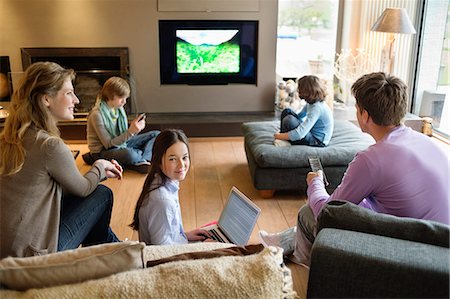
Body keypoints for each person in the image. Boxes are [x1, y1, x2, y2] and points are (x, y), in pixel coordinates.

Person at [260, 72, 449, 267]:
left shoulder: (372, 159)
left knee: (308, 213)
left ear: (365, 115)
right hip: (440, 246)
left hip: (408, 253)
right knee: (356, 205)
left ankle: (307, 268)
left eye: (357, 109)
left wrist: (314, 182)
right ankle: (282, 242)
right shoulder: (427, 142)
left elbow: (327, 213)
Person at [0, 61, 123, 259]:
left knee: (87, 203)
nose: (76, 100)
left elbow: (45, 188)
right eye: (69, 93)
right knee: (101, 195)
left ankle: (113, 249)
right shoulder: (49, 145)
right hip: (33, 256)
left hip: (7, 251)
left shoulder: (9, 137)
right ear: (46, 99)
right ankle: (112, 254)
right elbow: (83, 188)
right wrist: (99, 165)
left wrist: (98, 173)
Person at [130, 129, 212, 245]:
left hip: (176, 248)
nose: (181, 165)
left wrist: (184, 235)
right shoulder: (162, 200)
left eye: (184, 157)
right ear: (158, 160)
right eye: (172, 159)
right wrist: (202, 248)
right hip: (169, 259)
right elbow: (162, 252)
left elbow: (166, 233)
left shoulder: (163, 181)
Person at [86, 76, 160, 174]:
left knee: (157, 135)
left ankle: (143, 160)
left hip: (120, 144)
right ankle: (137, 160)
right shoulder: (97, 114)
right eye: (121, 98)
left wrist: (135, 131)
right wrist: (131, 132)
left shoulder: (118, 109)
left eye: (125, 98)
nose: (124, 102)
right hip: (102, 152)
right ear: (111, 95)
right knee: (129, 154)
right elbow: (108, 144)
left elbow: (122, 138)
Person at [274, 75, 333, 147]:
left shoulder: (317, 108)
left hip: (317, 141)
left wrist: (277, 136)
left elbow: (300, 134)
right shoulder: (312, 103)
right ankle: (284, 137)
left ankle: (284, 138)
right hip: (309, 133)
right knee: (287, 111)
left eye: (299, 88)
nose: (298, 91)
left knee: (289, 120)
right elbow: (300, 116)